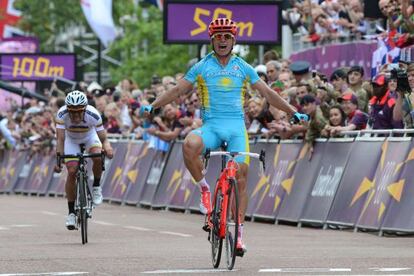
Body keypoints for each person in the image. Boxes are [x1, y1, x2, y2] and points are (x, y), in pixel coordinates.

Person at [140, 18, 308, 256]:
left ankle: (239, 234)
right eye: (218, 36)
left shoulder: (243, 67)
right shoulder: (201, 67)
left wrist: (293, 112)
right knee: (190, 144)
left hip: (236, 129)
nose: (222, 41)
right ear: (211, 40)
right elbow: (178, 90)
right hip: (212, 128)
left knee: (240, 177)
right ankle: (205, 189)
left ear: (233, 40)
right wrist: (153, 106)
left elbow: (268, 93)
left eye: (227, 36)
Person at [54, 90, 114, 230]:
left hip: (89, 137)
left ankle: (97, 187)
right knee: (72, 170)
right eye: (72, 112)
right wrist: (59, 160)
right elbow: (60, 139)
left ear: (85, 109)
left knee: (98, 156)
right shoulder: (62, 114)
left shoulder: (93, 114)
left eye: (79, 111)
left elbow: (103, 138)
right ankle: (71, 214)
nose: (75, 115)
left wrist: (108, 147)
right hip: (71, 140)